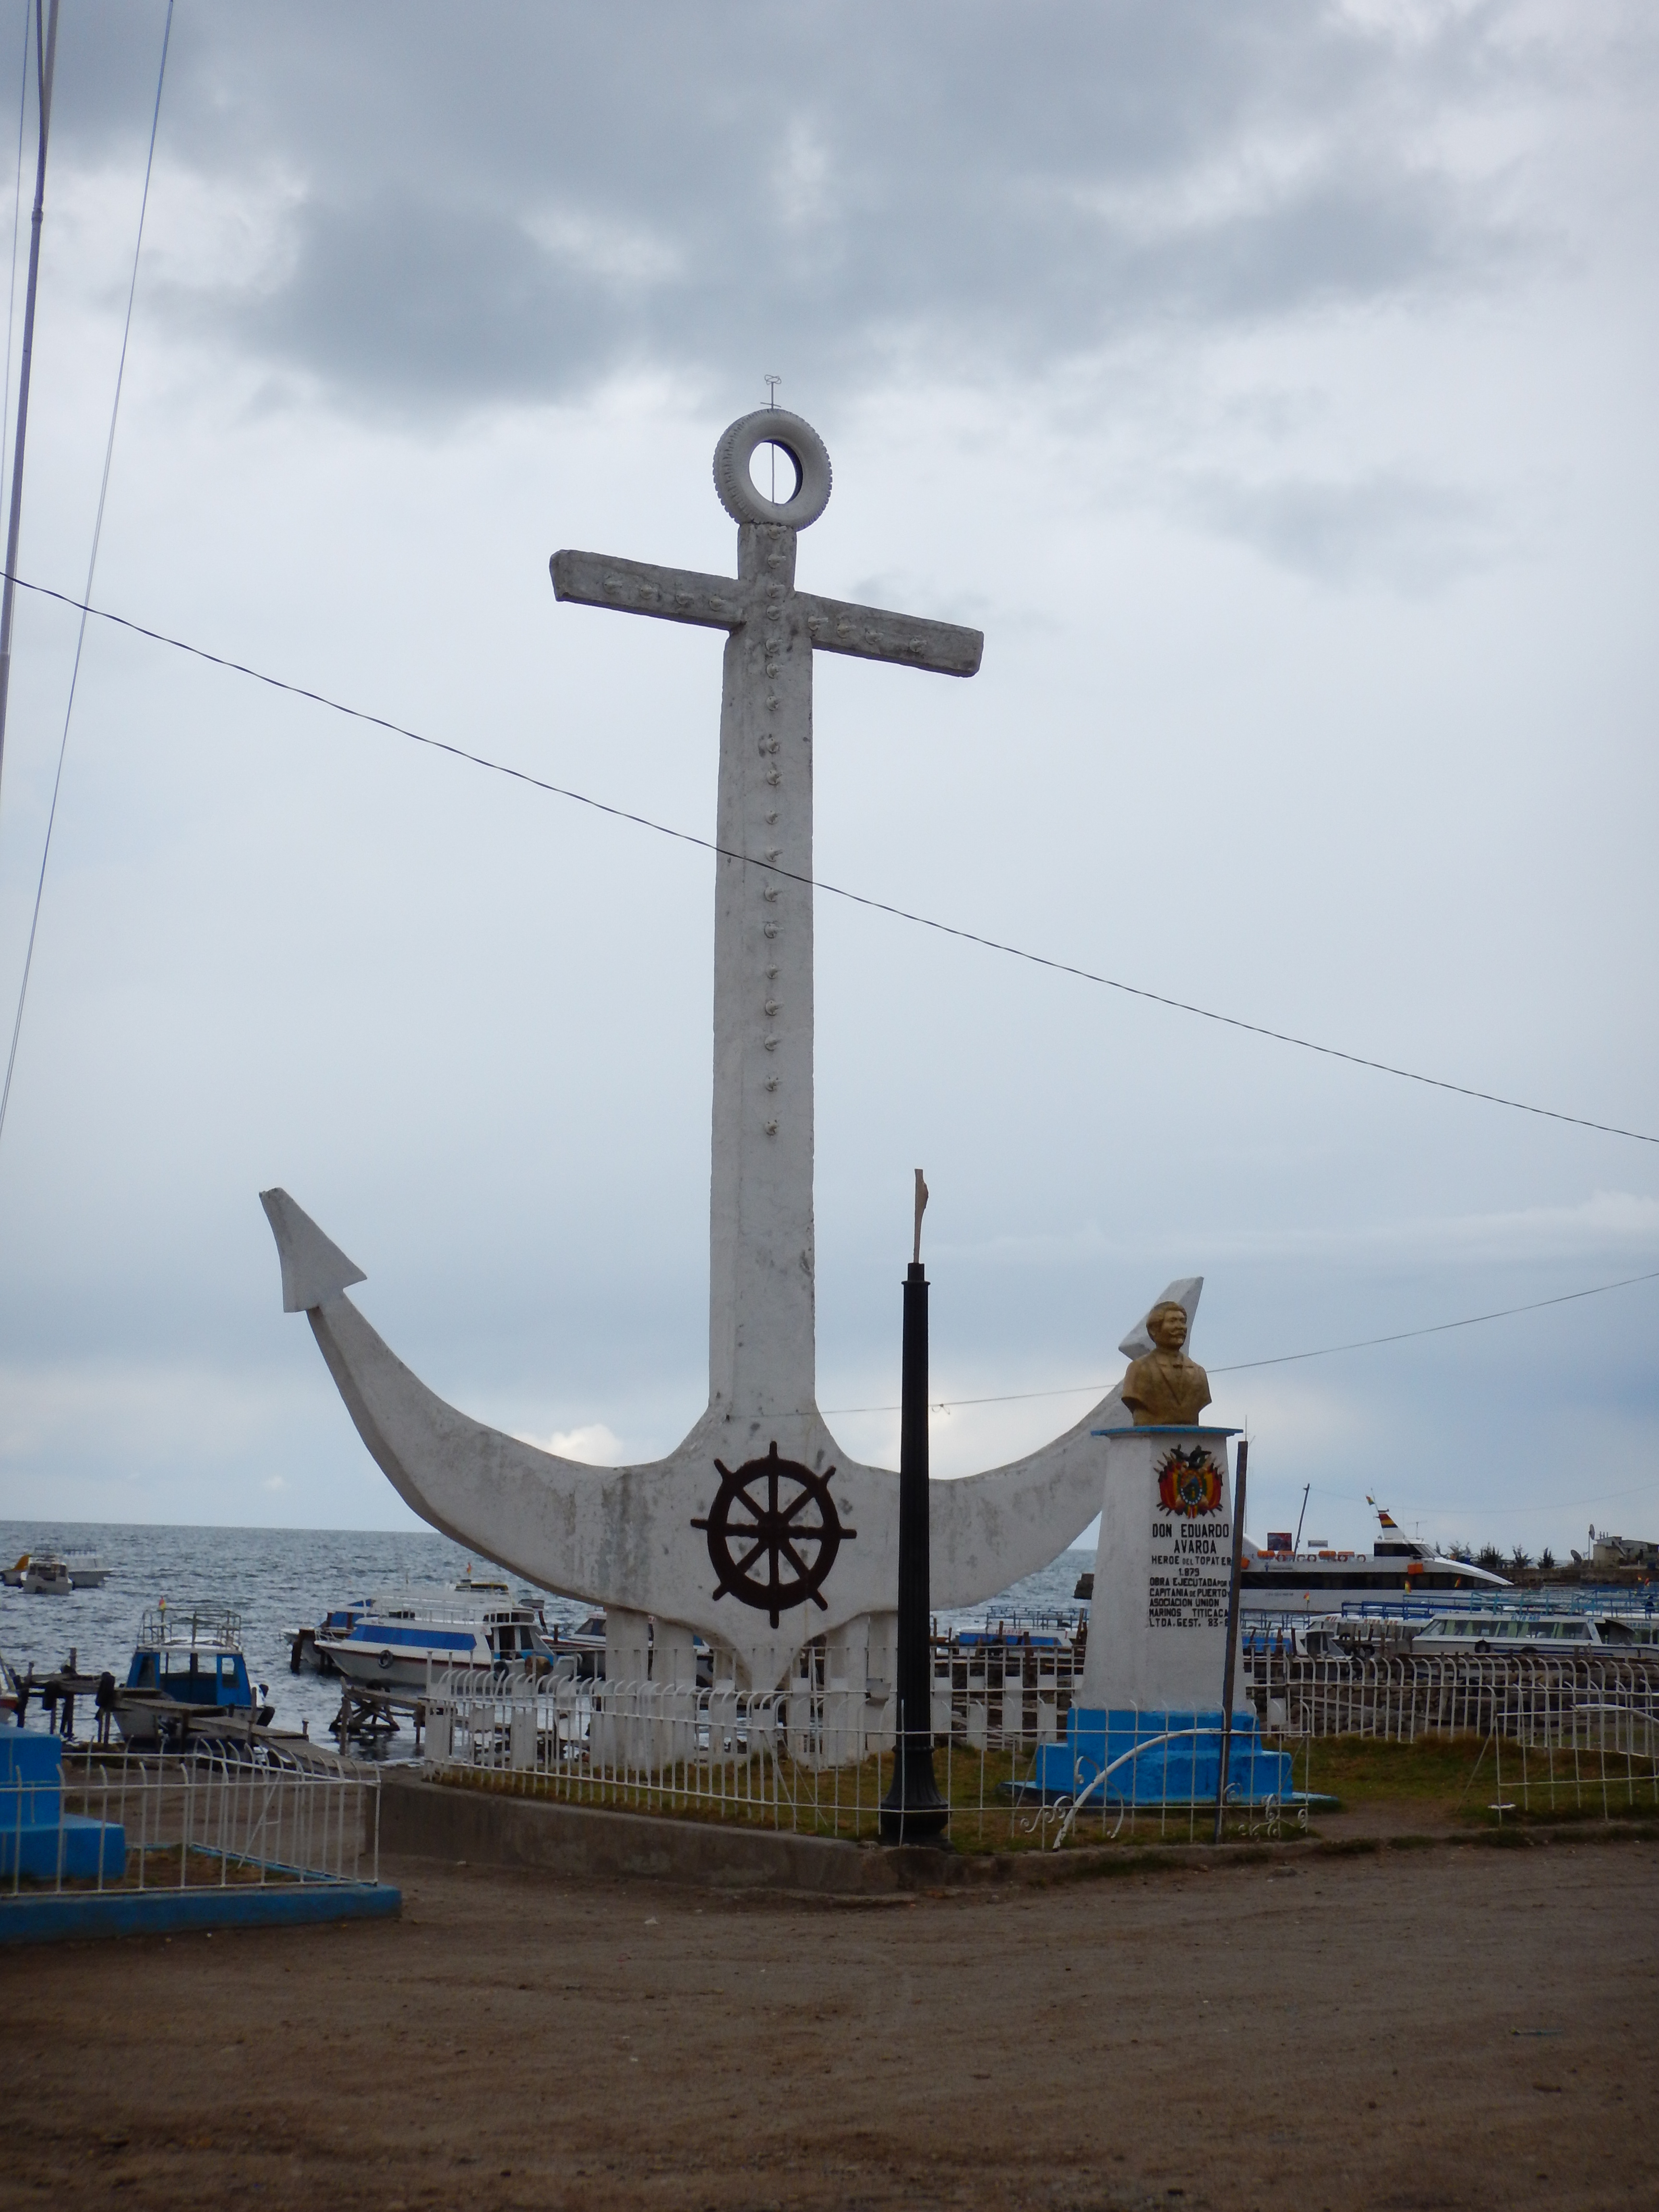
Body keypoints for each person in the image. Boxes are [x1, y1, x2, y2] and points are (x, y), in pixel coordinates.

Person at [1120, 1299, 1211, 1426]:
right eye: (1173, 1321)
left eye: (1183, 1322)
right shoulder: (1140, 1369)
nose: (1180, 1327)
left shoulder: (1199, 1373)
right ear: (1154, 1329)